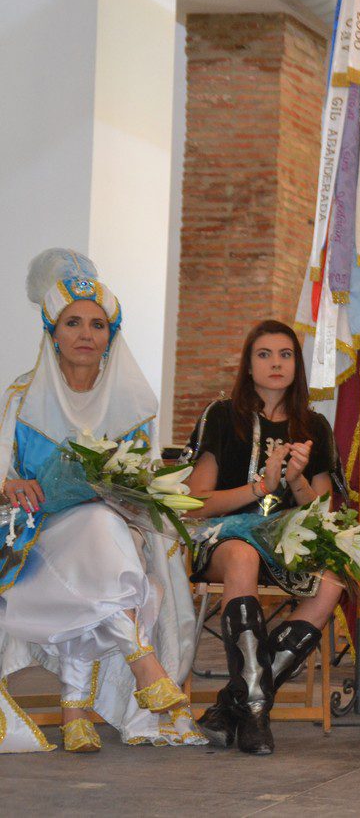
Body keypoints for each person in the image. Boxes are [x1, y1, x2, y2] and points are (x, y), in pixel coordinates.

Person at [0, 249, 205, 753]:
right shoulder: (21, 398)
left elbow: (141, 483)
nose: (86, 334)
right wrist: (8, 485)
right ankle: (139, 666)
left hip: (112, 534)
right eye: (73, 323)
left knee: (99, 530)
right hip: (36, 541)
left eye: (97, 324)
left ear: (111, 335)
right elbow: (3, 471)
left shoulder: (130, 405)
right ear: (52, 332)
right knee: (98, 543)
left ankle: (77, 714)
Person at [183, 319, 344, 755]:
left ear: (297, 365)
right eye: (265, 354)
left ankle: (237, 703)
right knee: (243, 556)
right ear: (248, 365)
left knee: (332, 581)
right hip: (222, 538)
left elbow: (323, 515)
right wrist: (260, 487)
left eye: (285, 355)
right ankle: (255, 710)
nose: (276, 363)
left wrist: (295, 480)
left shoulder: (315, 426)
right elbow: (194, 503)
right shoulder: (222, 416)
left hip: (288, 543)